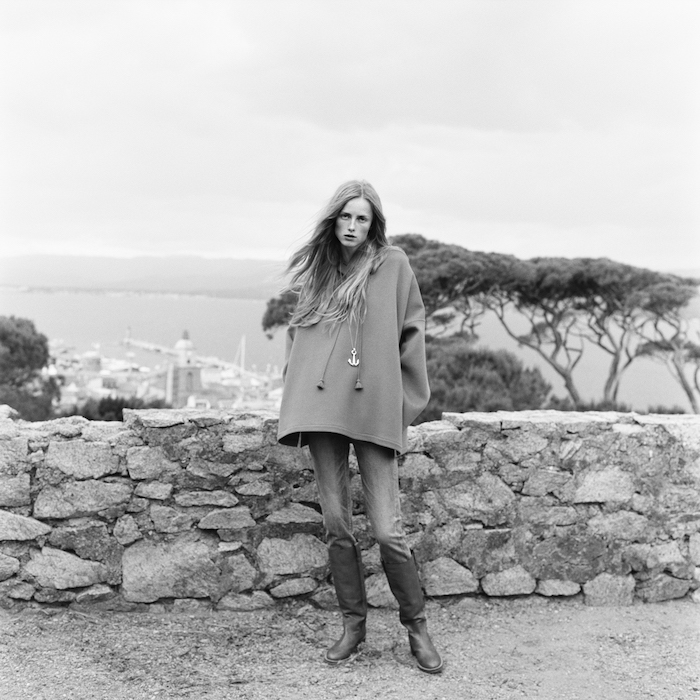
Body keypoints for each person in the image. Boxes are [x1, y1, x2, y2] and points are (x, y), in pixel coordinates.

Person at [277, 180, 443, 674]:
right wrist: (296, 392)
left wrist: (405, 403)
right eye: (345, 217)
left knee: (389, 530)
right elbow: (299, 337)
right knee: (336, 525)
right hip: (323, 409)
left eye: (362, 219)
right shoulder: (321, 271)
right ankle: (354, 626)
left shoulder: (393, 264)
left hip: (374, 408)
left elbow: (412, 333)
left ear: (374, 224)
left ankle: (417, 628)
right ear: (334, 221)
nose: (352, 227)